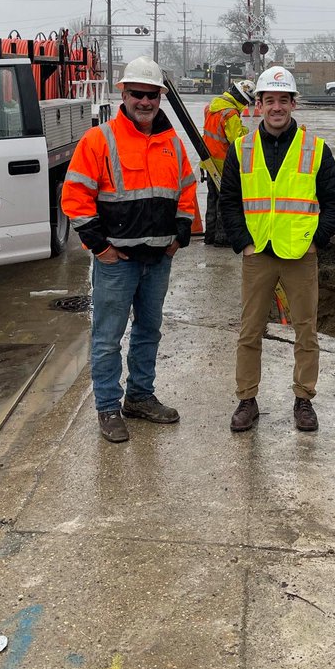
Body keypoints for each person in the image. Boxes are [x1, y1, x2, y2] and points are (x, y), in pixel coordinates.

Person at [62, 56, 198, 443]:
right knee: (107, 337)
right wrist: (100, 248)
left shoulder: (171, 142)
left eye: (152, 95)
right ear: (124, 93)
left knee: (148, 331)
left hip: (158, 259)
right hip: (116, 262)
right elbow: (75, 197)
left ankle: (139, 397)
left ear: (161, 97)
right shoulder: (99, 140)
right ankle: (108, 407)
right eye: (138, 93)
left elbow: (187, 191)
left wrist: (179, 237)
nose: (144, 101)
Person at [220, 66, 335, 433]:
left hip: (299, 255)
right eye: (269, 100)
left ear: (294, 104)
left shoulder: (315, 148)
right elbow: (229, 200)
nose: (276, 107)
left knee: (306, 331)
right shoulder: (241, 149)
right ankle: (247, 399)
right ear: (257, 105)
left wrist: (316, 239)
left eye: (283, 100)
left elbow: (334, 200)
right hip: (258, 253)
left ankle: (304, 399)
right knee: (249, 331)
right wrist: (242, 242)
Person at [201, 78, 255, 246]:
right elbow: (237, 140)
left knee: (212, 199)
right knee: (225, 202)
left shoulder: (212, 106)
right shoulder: (230, 113)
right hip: (224, 164)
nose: (245, 106)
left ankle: (209, 236)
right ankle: (222, 238)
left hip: (209, 161)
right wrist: (245, 130)